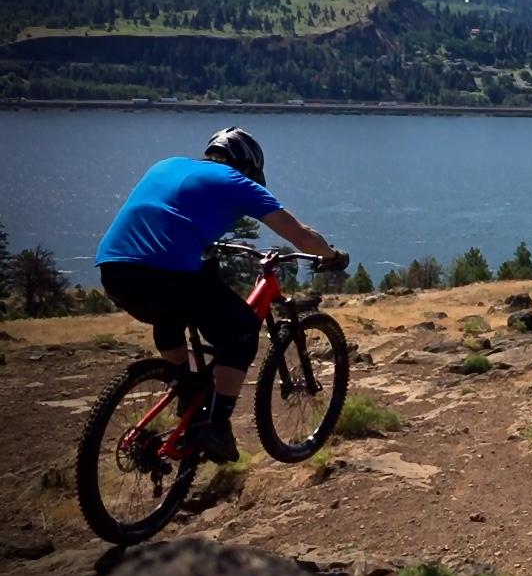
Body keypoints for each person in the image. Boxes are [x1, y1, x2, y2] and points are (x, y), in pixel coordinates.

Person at [95, 127, 348, 462]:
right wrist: (331, 255)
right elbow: (301, 235)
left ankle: (185, 390)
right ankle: (214, 426)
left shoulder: (166, 164)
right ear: (249, 166)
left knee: (170, 315)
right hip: (166, 272)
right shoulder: (237, 182)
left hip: (114, 269)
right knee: (241, 332)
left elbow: (165, 215)